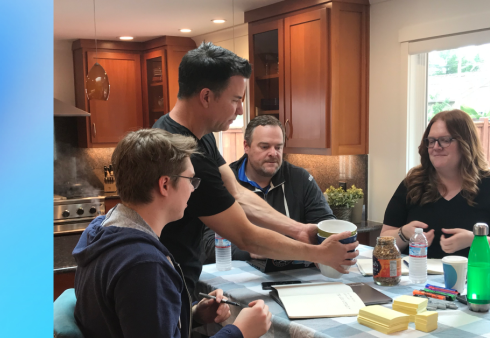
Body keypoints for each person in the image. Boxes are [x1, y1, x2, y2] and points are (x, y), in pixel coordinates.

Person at [153, 42, 358, 296]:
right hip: (165, 282)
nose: (240, 110)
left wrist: (299, 230)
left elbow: (237, 194)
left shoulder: (200, 136)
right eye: (236, 100)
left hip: (177, 277)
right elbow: (245, 236)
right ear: (206, 96)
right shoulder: (185, 154)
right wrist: (318, 253)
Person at [73, 129, 272, 338]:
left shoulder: (102, 231)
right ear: (165, 184)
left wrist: (192, 314)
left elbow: (136, 323)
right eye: (191, 180)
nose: (193, 189)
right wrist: (239, 332)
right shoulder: (144, 265)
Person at [381, 109, 490, 274]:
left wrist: (474, 241)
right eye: (431, 141)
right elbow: (384, 239)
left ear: (466, 143)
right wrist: (404, 234)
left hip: (476, 283)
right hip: (417, 281)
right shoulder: (413, 183)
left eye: (444, 140)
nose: (436, 147)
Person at [201, 115, 335, 263]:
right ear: (246, 146)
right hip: (243, 274)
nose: (273, 153)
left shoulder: (300, 179)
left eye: (278, 147)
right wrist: (252, 251)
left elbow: (325, 225)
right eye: (265, 147)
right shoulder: (225, 181)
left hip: (295, 271)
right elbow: (207, 243)